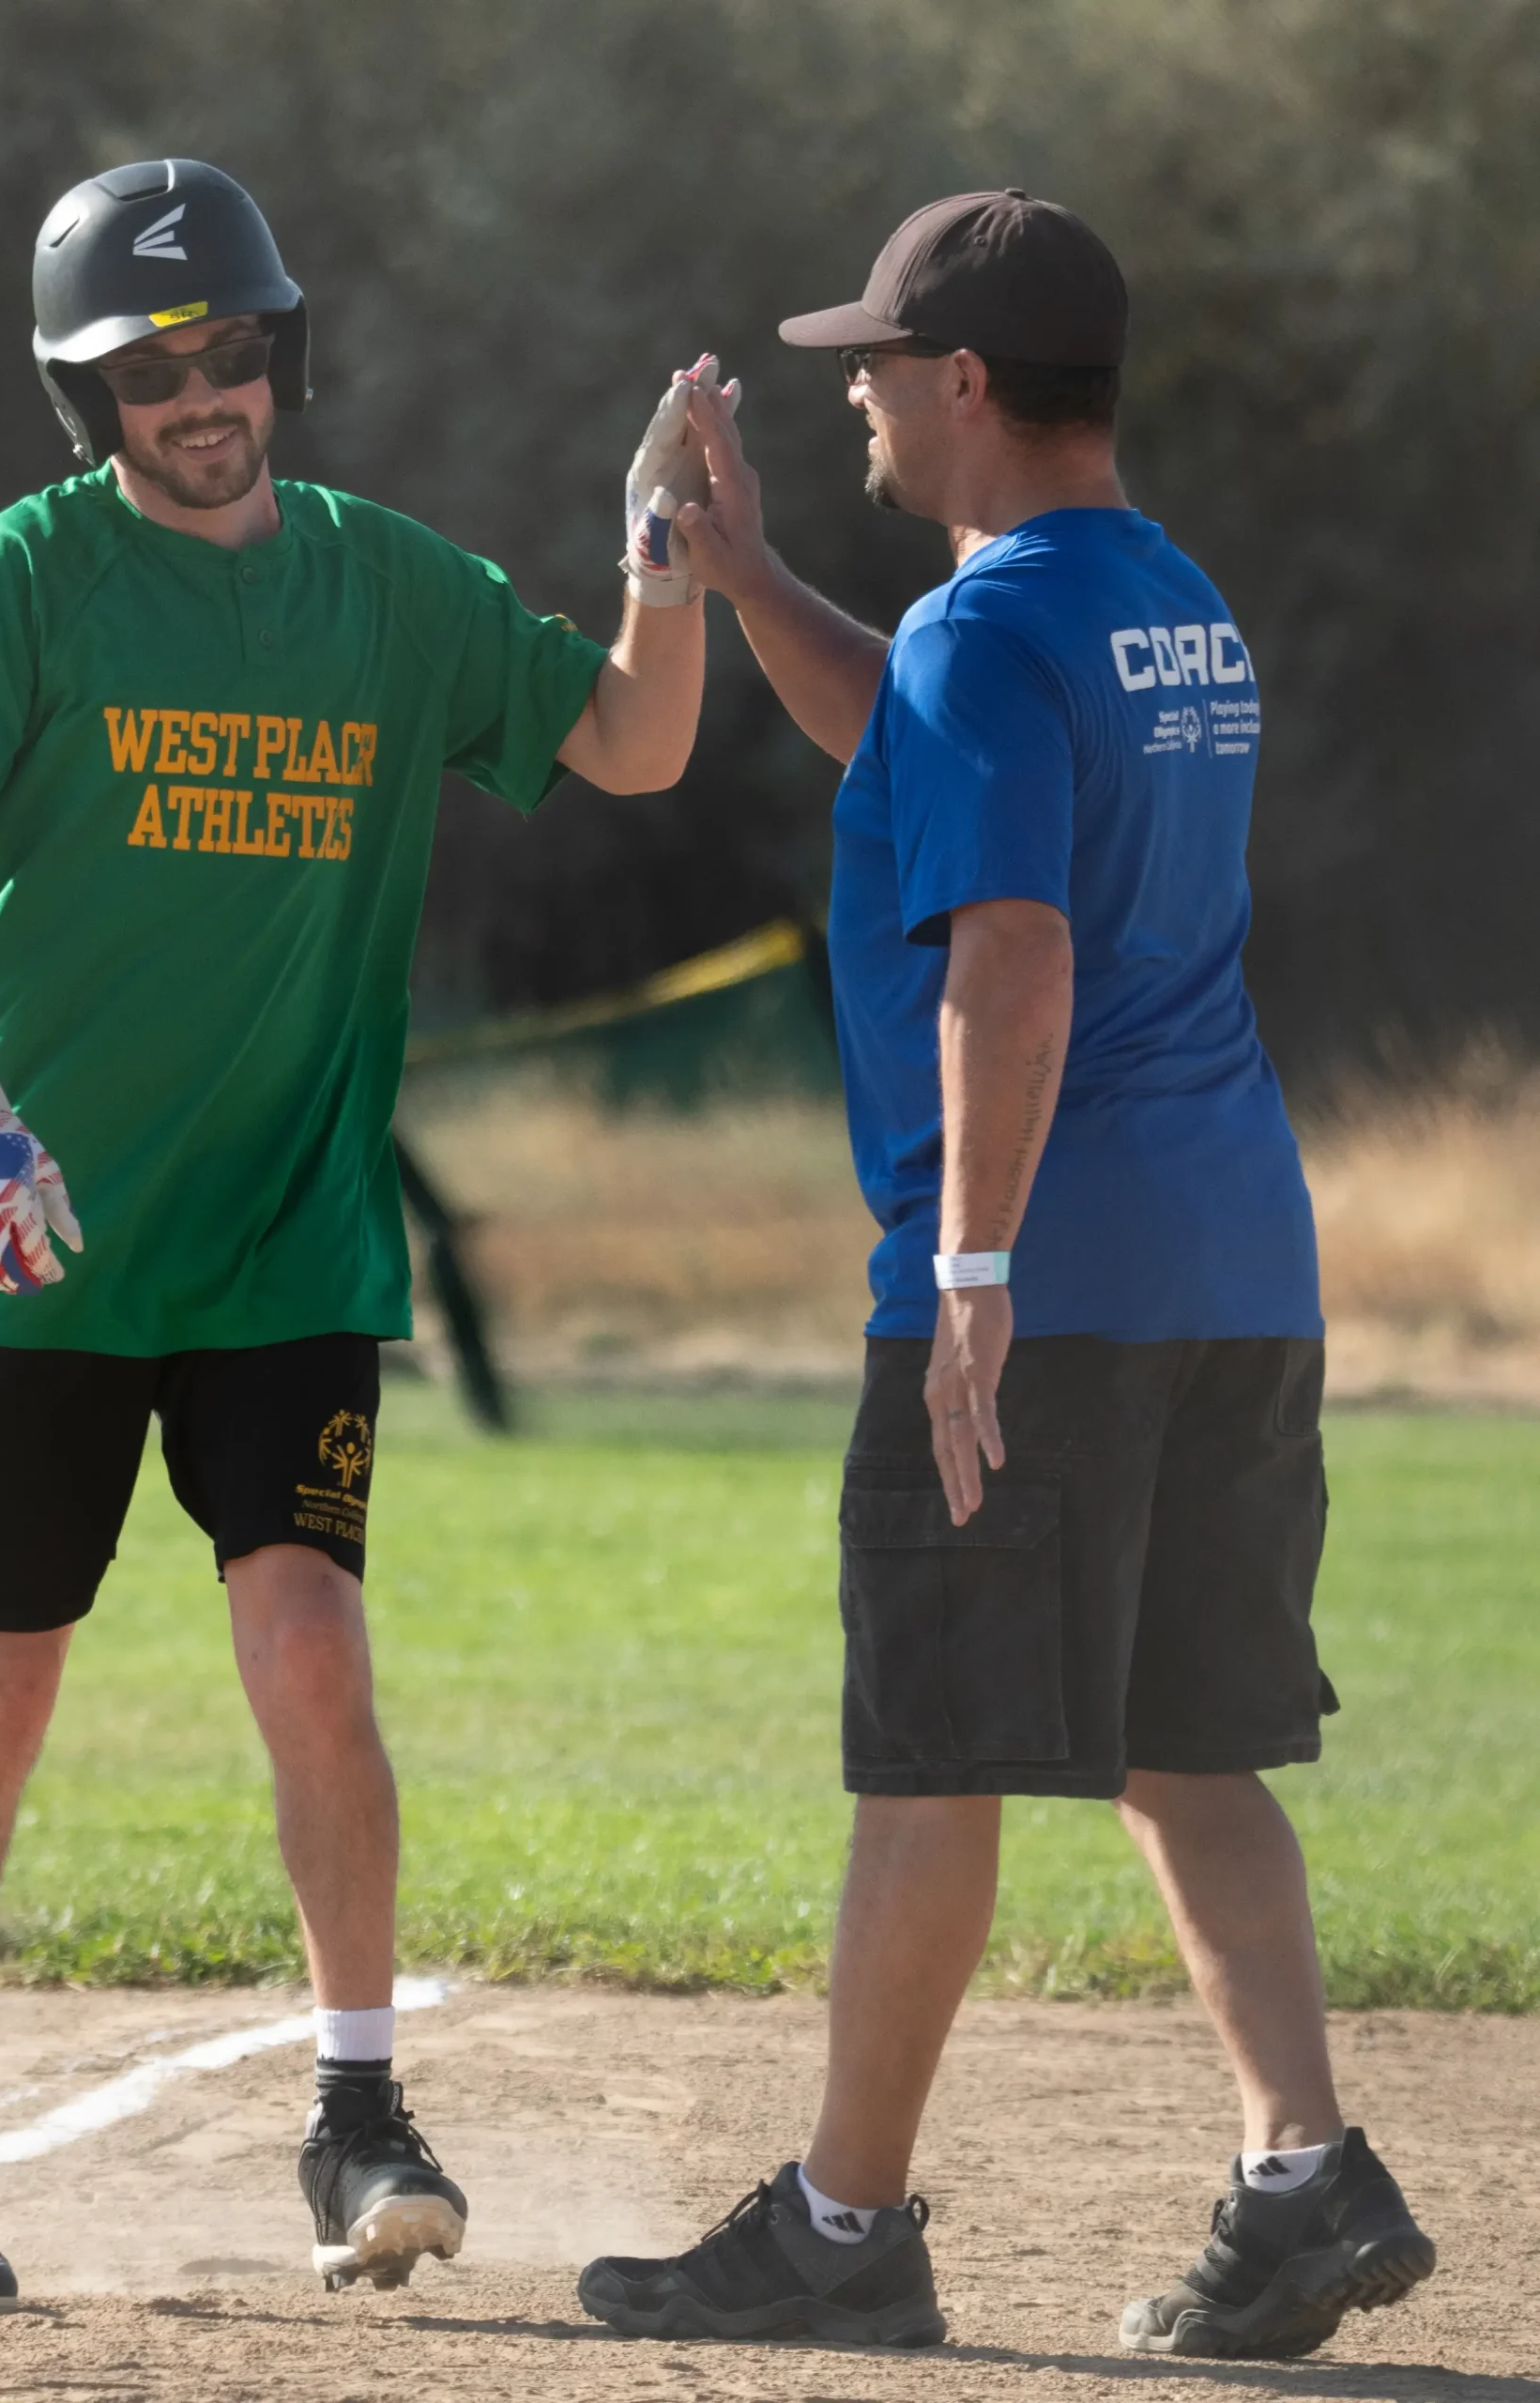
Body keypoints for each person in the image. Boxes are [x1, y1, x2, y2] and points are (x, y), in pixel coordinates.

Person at [0, 157, 715, 2308]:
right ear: (87, 393)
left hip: (280, 1241)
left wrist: (660, 555)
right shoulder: (21, 582)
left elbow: (630, 739)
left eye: (226, 349)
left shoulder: (389, 590)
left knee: (309, 1636)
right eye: (145, 366)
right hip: (26, 1235)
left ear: (279, 354)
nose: (195, 392)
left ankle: (358, 2106)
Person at [577, 189, 1436, 2359]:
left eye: (878, 354)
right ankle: (1303, 2176)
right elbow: (942, 755)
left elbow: (1015, 952)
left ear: (964, 383)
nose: (857, 384)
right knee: (1186, 1738)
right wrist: (751, 573)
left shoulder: (990, 628)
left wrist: (973, 1260)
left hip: (1048, 1279)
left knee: (934, 1756)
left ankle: (848, 2227)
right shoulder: (1168, 608)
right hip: (1238, 1264)